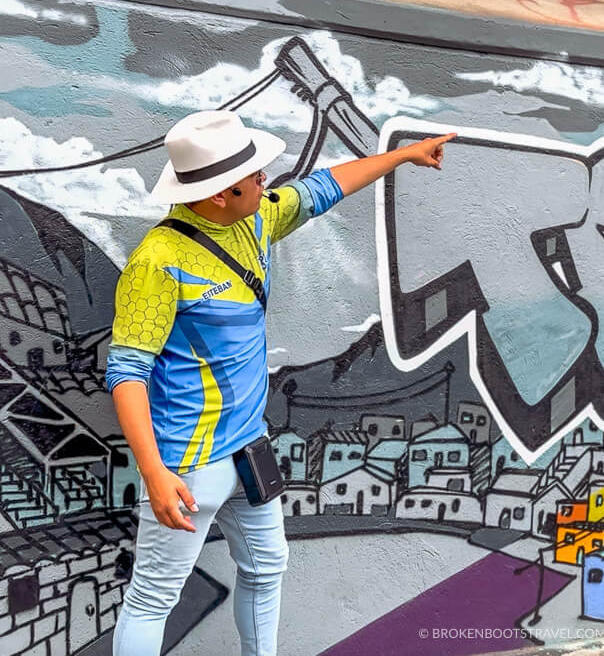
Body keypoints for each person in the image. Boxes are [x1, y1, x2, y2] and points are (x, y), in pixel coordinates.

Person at [105, 110, 453, 656]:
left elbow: (324, 188)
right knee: (153, 598)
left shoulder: (256, 218)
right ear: (221, 193)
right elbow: (127, 374)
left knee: (267, 569)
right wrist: (154, 470)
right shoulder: (158, 262)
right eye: (255, 173)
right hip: (188, 464)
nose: (267, 179)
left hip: (248, 449)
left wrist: (403, 156)